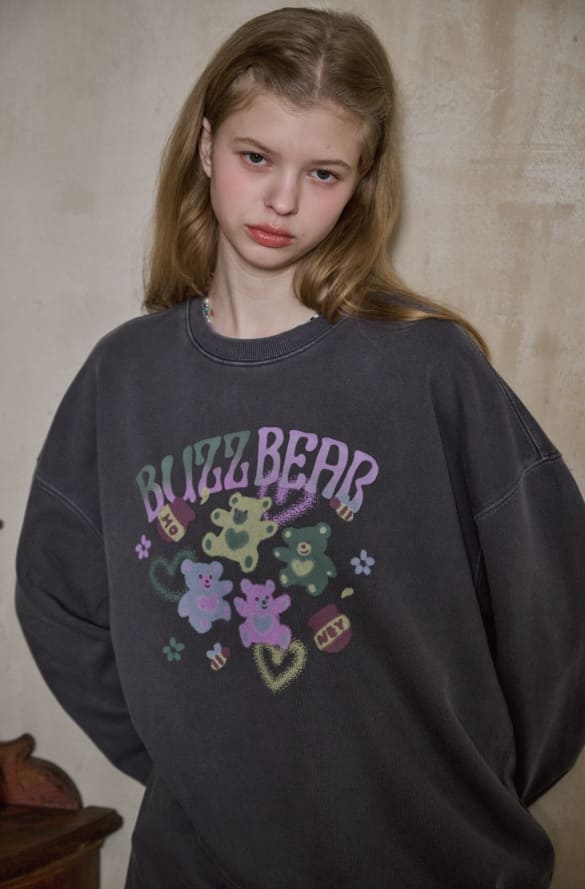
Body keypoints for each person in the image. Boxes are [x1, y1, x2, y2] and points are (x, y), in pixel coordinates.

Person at [15, 7, 585, 889]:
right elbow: (56, 593)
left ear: (360, 182)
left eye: (322, 172)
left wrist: (472, 784)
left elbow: (557, 604)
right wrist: (190, 758)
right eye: (256, 157)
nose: (282, 200)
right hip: (198, 868)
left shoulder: (427, 368)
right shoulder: (123, 375)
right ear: (206, 146)